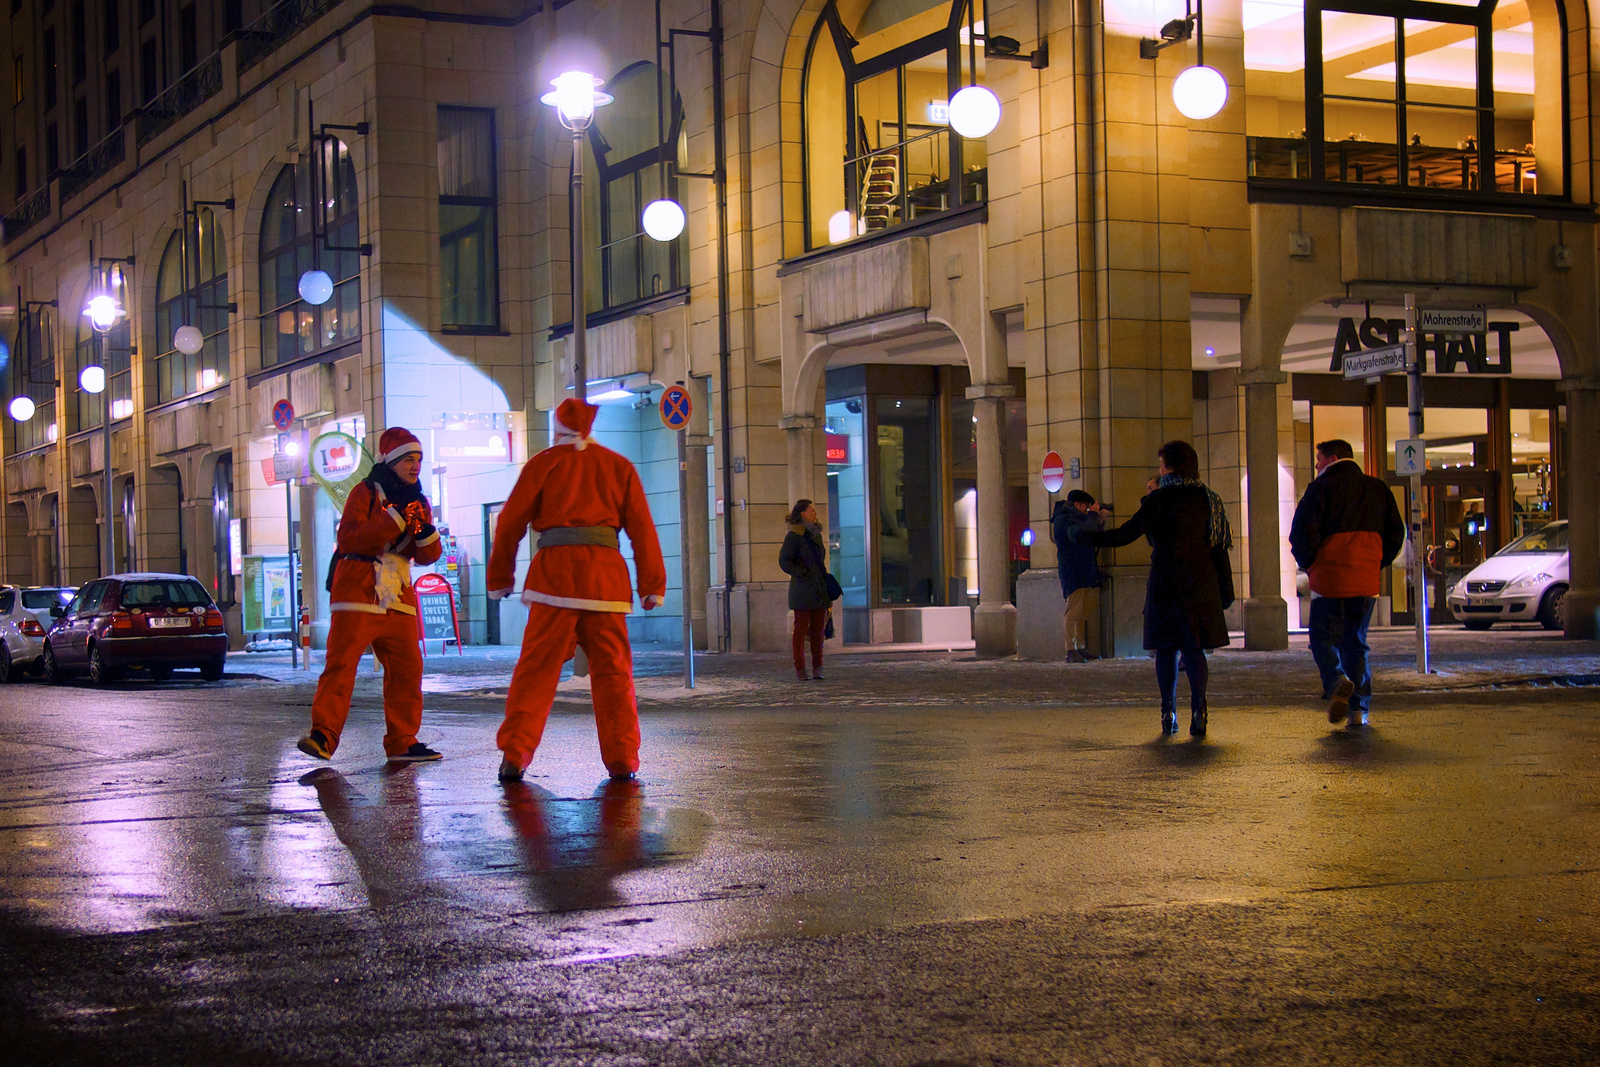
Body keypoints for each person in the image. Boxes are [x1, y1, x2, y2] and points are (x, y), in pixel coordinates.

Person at [487, 398, 666, 784]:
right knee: (614, 673)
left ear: (558, 428)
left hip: (554, 578)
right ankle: (622, 759)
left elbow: (510, 522)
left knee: (536, 670)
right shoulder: (619, 466)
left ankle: (515, 755)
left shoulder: (543, 464)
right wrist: (652, 586)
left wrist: (500, 577)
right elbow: (642, 528)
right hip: (605, 581)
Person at [298, 427, 443, 763]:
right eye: (408, 458)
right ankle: (323, 735)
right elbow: (349, 538)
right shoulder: (364, 492)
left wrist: (425, 533)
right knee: (342, 664)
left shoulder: (420, 502)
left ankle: (403, 740)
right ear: (391, 461)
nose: (415, 465)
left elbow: (425, 556)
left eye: (418, 459)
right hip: (359, 589)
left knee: (408, 670)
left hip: (398, 595)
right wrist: (393, 520)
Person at [1072, 440, 1232, 737]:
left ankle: (1168, 709)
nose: (1159, 469)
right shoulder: (1210, 499)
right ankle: (1199, 708)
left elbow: (1124, 535)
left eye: (1161, 464)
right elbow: (1219, 546)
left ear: (1170, 467)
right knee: (1195, 650)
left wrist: (1084, 537)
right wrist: (1225, 589)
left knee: (1167, 649)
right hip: (1201, 582)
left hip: (1166, 582)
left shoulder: (1158, 501)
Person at [1289, 438, 1406, 729]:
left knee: (1321, 637)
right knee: (1356, 642)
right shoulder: (1378, 489)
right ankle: (1359, 710)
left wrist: (1310, 563)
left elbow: (1302, 534)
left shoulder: (1320, 489)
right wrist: (1374, 562)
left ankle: (1336, 680)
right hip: (1365, 579)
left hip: (1330, 578)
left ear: (1332, 458)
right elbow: (1396, 533)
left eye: (1319, 459)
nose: (1316, 465)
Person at [779, 500, 831, 681]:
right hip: (802, 589)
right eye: (812, 510)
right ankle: (800, 668)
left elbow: (820, 562)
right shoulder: (794, 536)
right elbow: (784, 561)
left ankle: (818, 667)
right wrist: (801, 572)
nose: (815, 513)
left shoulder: (816, 535)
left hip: (818, 588)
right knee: (800, 631)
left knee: (818, 631)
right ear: (803, 513)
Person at [1052, 490, 1105, 662]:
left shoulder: (1073, 518)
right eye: (1086, 507)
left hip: (1082, 568)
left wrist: (1098, 520)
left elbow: (1091, 535)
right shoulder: (1065, 519)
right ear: (1077, 505)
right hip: (1072, 569)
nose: (1087, 511)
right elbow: (1084, 533)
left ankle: (1080, 646)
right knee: (1074, 610)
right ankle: (1070, 649)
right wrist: (1094, 516)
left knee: (1082, 611)